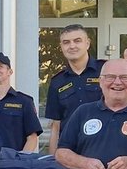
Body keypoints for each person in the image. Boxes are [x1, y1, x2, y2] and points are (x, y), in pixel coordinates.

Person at [43, 25, 105, 156]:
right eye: (66, 42)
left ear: (87, 43)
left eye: (77, 41)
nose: (72, 46)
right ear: (61, 46)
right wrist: (53, 159)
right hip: (71, 151)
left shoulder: (106, 70)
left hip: (104, 145)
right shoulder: (57, 81)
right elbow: (56, 126)